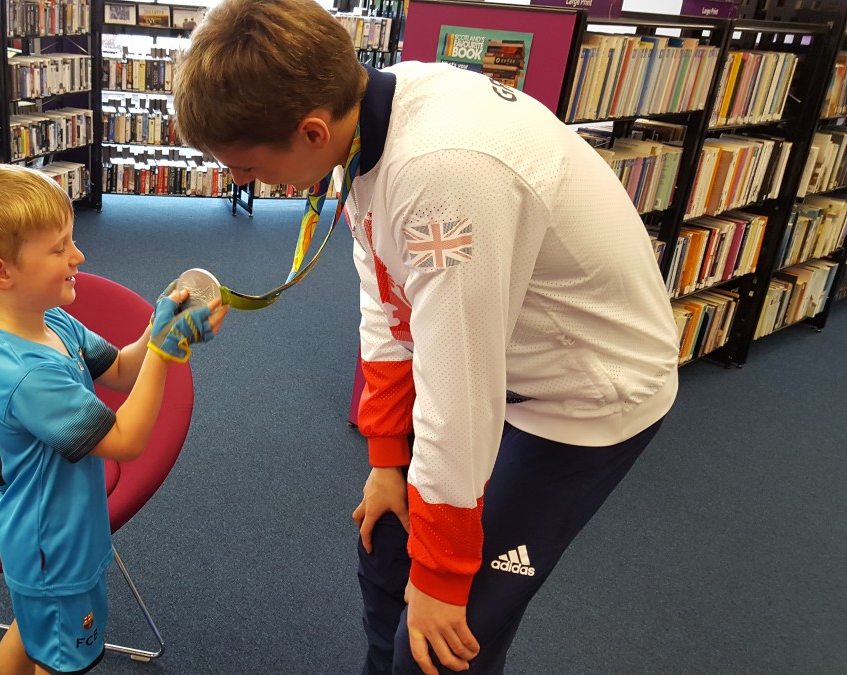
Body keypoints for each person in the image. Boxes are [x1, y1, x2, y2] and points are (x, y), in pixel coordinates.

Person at [173, 1, 679, 673]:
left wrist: (443, 578)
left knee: (441, 642)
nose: (241, 181)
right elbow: (386, 304)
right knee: (384, 544)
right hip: (499, 365)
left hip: (586, 397)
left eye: (243, 166)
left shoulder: (444, 177)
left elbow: (458, 396)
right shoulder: (367, 124)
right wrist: (386, 459)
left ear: (312, 131)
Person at [0, 162, 227, 675]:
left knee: (33, 633)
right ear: (1, 273)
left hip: (49, 538)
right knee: (64, 659)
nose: (78, 256)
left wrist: (155, 330)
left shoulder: (49, 319)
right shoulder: (25, 373)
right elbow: (127, 440)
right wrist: (167, 351)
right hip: (56, 548)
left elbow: (120, 370)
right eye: (58, 247)